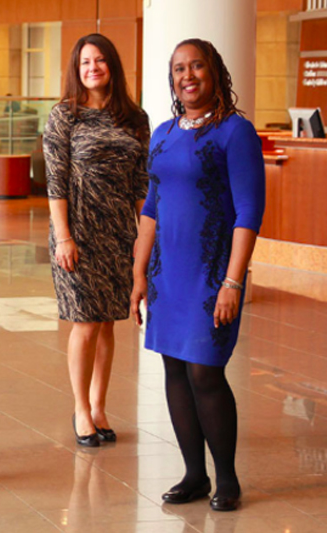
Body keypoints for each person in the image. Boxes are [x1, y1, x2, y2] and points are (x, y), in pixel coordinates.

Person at [131, 38, 265, 512]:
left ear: (215, 72)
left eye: (197, 66)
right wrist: (139, 273)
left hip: (211, 273)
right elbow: (151, 207)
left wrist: (233, 281)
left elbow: (249, 211)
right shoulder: (163, 133)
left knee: (205, 372)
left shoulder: (235, 132)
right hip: (167, 273)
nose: (187, 76)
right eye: (179, 69)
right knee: (174, 369)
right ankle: (194, 474)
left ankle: (227, 478)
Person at [43, 34, 150, 447]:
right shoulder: (64, 115)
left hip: (119, 231)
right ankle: (81, 410)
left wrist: (145, 238)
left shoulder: (134, 118)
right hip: (78, 232)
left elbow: (141, 183)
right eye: (85, 62)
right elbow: (56, 181)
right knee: (85, 320)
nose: (93, 68)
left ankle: (99, 406)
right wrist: (63, 237)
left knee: (107, 321)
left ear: (112, 66)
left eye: (100, 60)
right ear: (76, 69)